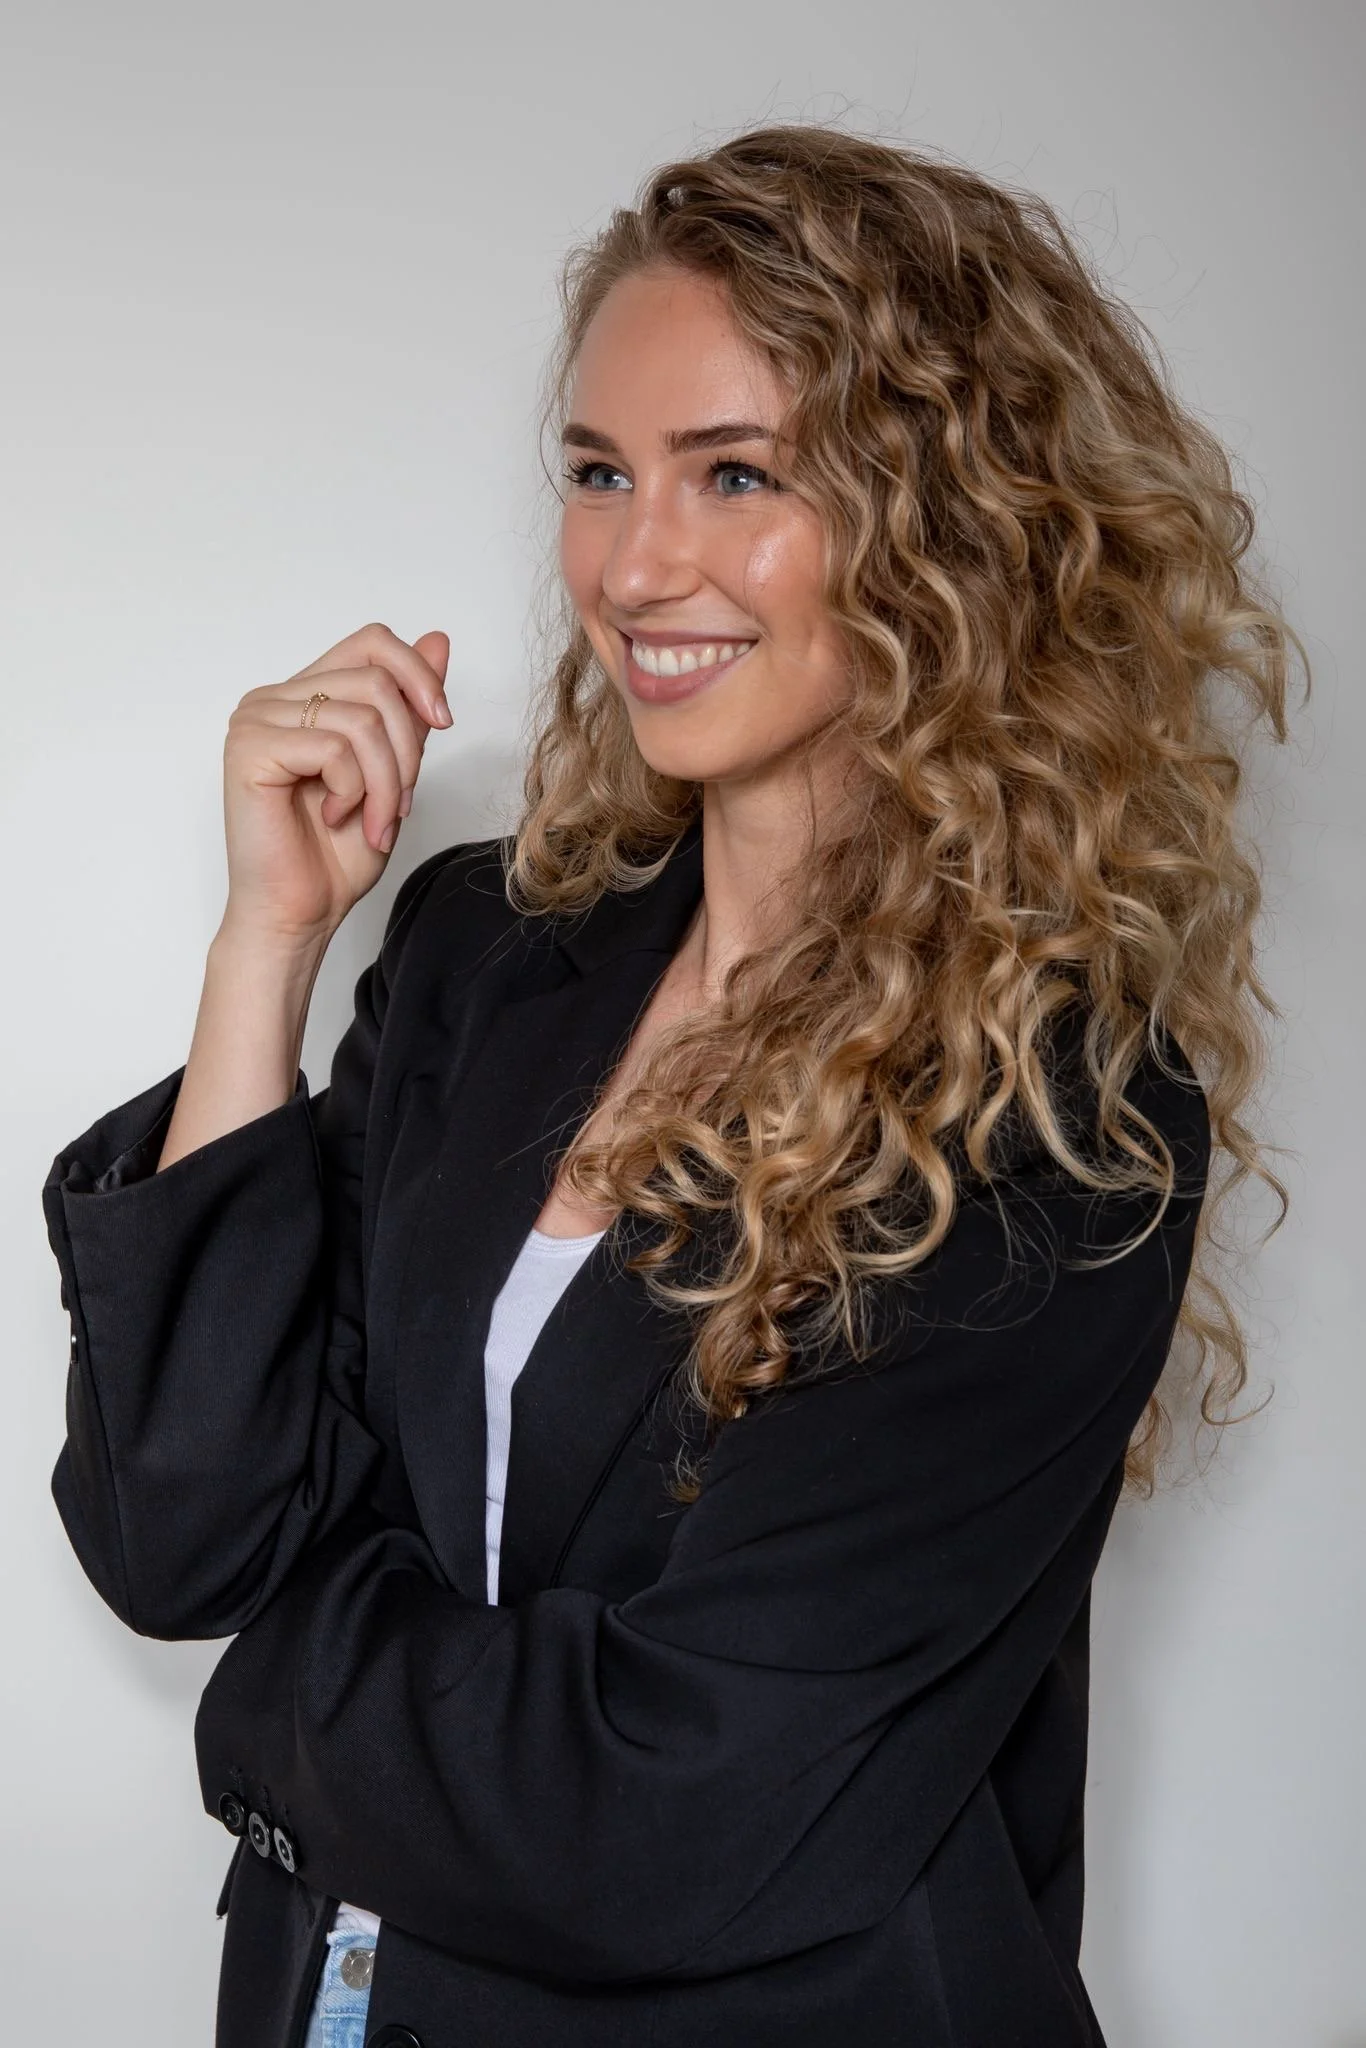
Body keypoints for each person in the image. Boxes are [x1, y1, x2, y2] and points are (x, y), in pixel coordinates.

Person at [42, 124, 1301, 2048]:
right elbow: (184, 1531)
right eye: (598, 473)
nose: (636, 563)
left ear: (944, 523)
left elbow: (663, 1805)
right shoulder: (491, 951)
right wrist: (268, 947)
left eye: (737, 474)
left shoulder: (1053, 1123)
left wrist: (281, 1688)